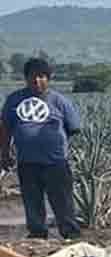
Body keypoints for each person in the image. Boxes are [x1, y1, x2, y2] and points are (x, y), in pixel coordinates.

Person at [0, 58, 82, 239]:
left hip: (55, 161)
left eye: (41, 76)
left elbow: (73, 128)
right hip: (26, 161)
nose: (37, 81)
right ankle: (37, 234)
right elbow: (5, 127)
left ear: (48, 79)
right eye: (32, 77)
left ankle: (70, 234)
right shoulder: (14, 100)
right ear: (26, 78)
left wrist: (54, 143)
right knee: (32, 201)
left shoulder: (59, 101)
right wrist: (4, 153)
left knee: (62, 201)